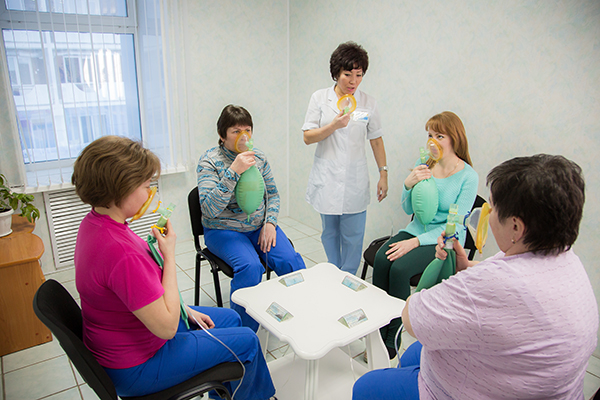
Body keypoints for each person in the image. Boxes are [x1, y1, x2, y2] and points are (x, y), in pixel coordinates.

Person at [353, 154, 598, 400]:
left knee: (365, 387)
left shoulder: (490, 283)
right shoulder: (568, 262)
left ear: (516, 227)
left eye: (492, 208)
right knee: (413, 354)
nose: (487, 216)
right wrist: (466, 267)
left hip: (460, 390)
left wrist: (444, 280)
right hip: (536, 382)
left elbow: (412, 319)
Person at [72, 136, 276, 399]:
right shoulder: (120, 251)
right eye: (146, 185)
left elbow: (139, 295)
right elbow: (167, 328)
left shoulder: (95, 223)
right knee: (248, 342)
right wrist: (169, 257)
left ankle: (222, 394)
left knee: (232, 319)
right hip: (138, 365)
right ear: (122, 188)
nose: (150, 193)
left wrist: (185, 310)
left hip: (130, 335)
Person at [372, 111, 478, 356]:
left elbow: (456, 225)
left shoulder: (468, 177)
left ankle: (393, 338)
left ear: (455, 138)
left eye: (439, 136)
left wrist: (415, 242)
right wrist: (407, 186)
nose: (432, 141)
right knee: (381, 259)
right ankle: (377, 330)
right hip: (416, 230)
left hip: (445, 240)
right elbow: (409, 209)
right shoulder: (426, 165)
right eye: (430, 135)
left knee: (399, 269)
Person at [197, 104, 305, 331]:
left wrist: (270, 223)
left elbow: (272, 195)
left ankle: (302, 315)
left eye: (247, 130)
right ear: (222, 135)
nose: (243, 137)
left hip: (258, 227)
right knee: (250, 267)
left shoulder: (259, 158)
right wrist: (233, 172)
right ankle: (242, 332)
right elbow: (208, 209)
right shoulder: (209, 161)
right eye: (236, 131)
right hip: (223, 230)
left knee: (291, 261)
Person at [302, 41, 388, 275]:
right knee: (330, 232)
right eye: (347, 74)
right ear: (336, 73)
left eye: (359, 75)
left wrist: (383, 173)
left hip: (354, 179)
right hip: (327, 178)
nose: (353, 81)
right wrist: (333, 125)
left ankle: (348, 276)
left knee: (353, 234)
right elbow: (308, 137)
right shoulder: (320, 98)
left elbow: (376, 140)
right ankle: (334, 272)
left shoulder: (368, 103)